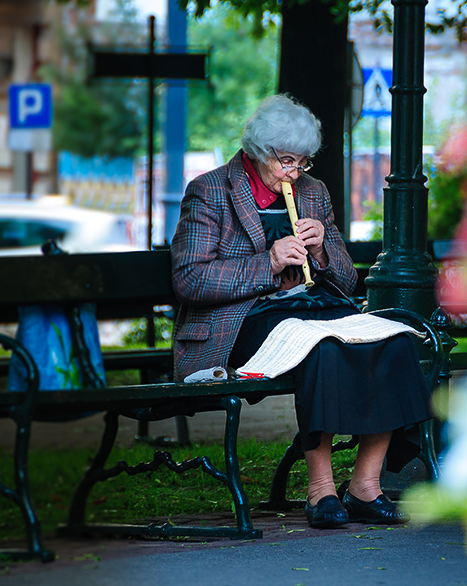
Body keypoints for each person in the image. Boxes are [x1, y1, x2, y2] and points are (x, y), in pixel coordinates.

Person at [170, 94, 433, 528]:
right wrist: (267, 264)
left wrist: (322, 250)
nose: (295, 173)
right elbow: (190, 280)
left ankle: (366, 487)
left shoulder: (313, 193)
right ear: (259, 152)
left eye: (303, 162)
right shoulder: (210, 191)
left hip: (313, 310)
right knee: (323, 347)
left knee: (394, 339)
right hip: (242, 322)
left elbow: (348, 281)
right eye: (286, 162)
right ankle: (321, 490)